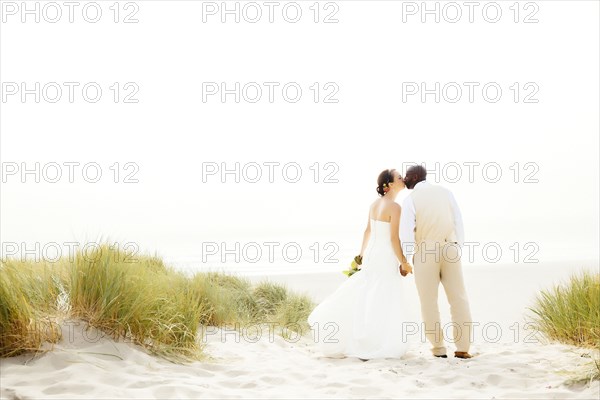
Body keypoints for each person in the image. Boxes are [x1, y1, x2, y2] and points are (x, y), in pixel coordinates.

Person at [307, 169, 414, 360]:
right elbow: (393, 239)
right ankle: (375, 340)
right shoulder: (395, 207)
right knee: (383, 295)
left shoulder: (374, 205)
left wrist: (361, 256)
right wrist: (404, 262)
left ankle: (365, 337)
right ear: (388, 184)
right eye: (399, 177)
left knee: (368, 294)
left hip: (372, 255)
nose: (402, 179)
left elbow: (367, 231)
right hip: (384, 256)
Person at [400, 165, 474, 359]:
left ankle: (439, 349)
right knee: (458, 298)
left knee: (428, 301)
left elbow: (406, 232)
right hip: (450, 248)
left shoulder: (410, 200)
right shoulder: (446, 192)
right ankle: (463, 348)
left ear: (415, 176)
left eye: (406, 176)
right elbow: (458, 220)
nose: (404, 179)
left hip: (425, 251)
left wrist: (405, 260)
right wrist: (458, 246)